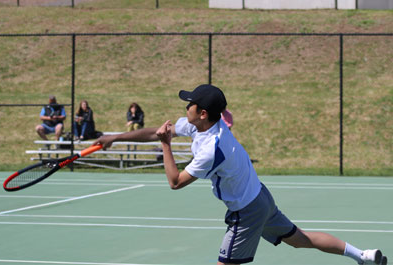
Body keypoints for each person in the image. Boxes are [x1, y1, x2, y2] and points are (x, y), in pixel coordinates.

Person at [93, 84, 387, 265]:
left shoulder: (213, 149)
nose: (186, 106)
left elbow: (175, 182)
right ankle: (362, 255)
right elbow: (158, 129)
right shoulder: (202, 125)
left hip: (247, 211)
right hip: (260, 196)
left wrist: (165, 146)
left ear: (203, 113)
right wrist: (115, 137)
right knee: (301, 239)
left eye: (190, 103)